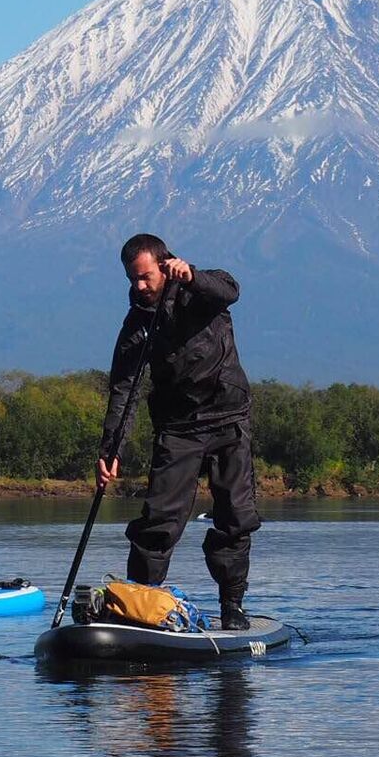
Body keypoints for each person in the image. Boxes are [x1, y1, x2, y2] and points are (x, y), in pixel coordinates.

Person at [96, 234, 260, 631]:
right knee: (158, 522)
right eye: (132, 279)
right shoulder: (138, 322)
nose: (139, 286)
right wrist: (110, 448)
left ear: (166, 266)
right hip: (177, 429)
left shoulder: (204, 291)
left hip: (228, 418)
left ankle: (232, 607)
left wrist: (192, 277)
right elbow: (124, 388)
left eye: (146, 277)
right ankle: (141, 606)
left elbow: (231, 290)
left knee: (235, 518)